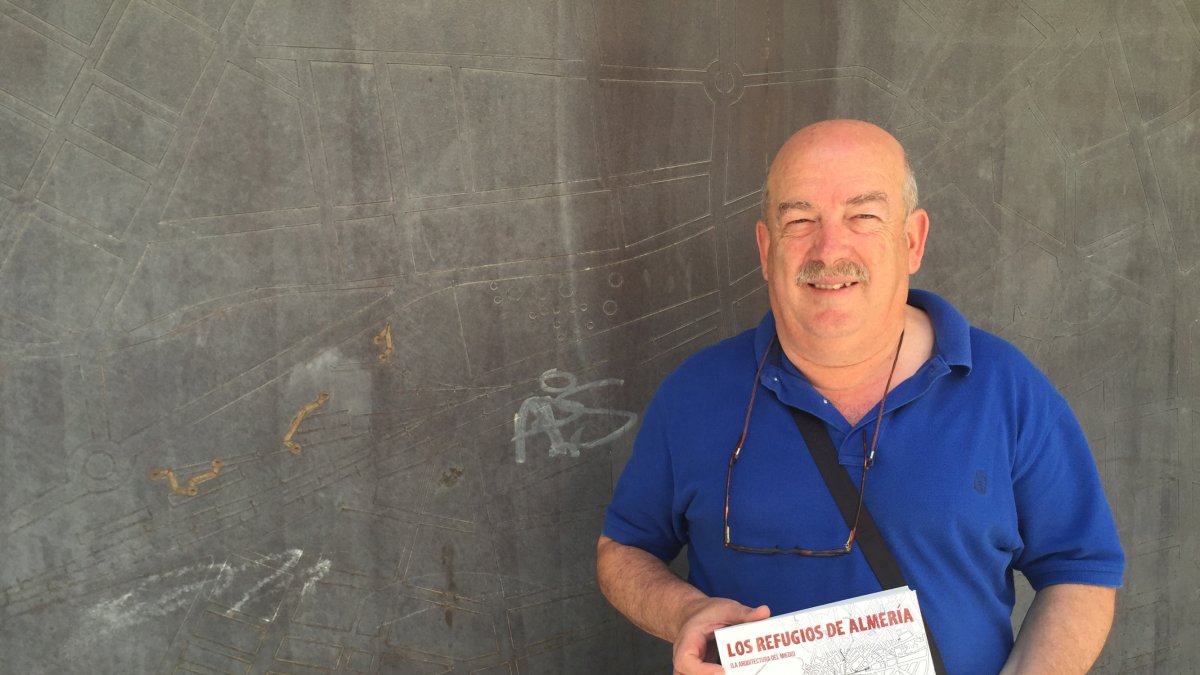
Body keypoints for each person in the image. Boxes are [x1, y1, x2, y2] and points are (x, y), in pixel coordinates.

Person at [596, 119, 1124, 674]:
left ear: (913, 240)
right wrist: (684, 611)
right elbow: (622, 551)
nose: (829, 248)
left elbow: (1080, 570)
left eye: (863, 216)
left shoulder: (1005, 389)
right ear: (765, 247)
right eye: (800, 219)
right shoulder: (695, 394)